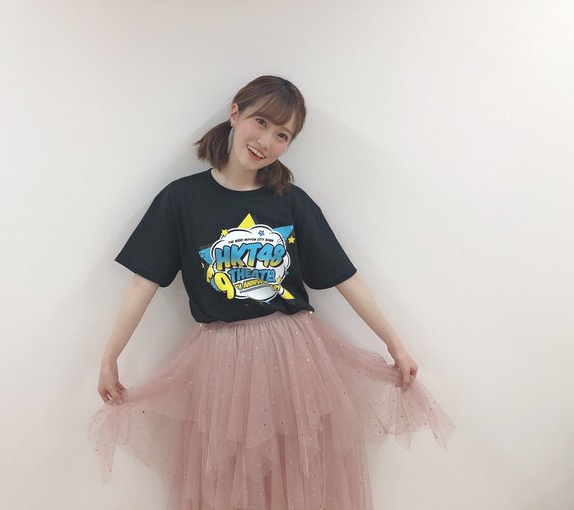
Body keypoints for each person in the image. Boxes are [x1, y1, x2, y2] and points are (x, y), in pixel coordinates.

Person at [87, 75, 454, 510]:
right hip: (221, 362)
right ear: (235, 114)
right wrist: (110, 356)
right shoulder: (181, 200)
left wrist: (395, 344)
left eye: (282, 135)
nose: (266, 141)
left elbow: (345, 276)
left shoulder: (291, 202)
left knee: (297, 472)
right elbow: (143, 282)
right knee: (230, 476)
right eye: (260, 122)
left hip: (293, 357)